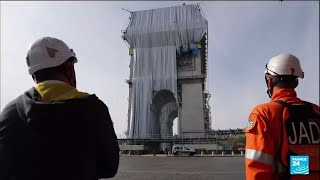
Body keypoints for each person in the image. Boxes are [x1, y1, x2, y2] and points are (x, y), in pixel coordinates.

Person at [0, 37, 120, 180]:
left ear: (34, 74)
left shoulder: (10, 113)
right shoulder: (95, 109)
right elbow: (109, 167)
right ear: (69, 69)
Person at [244, 53, 320, 180]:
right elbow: (303, 164)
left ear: (269, 81)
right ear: (296, 82)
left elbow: (258, 169)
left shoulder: (263, 114)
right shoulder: (316, 111)